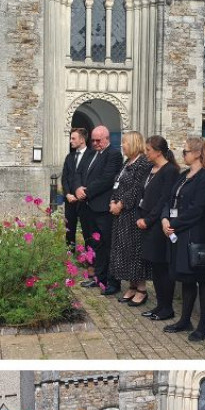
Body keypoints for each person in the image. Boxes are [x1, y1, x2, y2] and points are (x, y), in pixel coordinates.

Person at [162, 136, 205, 341]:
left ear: (197, 153)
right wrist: (165, 219)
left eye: (185, 151)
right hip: (179, 232)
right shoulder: (184, 175)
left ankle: (203, 326)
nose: (182, 155)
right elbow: (170, 199)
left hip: (196, 235)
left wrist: (174, 224)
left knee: (202, 279)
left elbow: (197, 209)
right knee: (186, 279)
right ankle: (185, 319)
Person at [75, 125, 123, 294]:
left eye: (98, 140)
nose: (95, 143)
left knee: (108, 246)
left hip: (103, 208)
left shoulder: (114, 154)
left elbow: (107, 179)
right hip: (89, 207)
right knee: (95, 245)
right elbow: (79, 173)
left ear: (107, 138)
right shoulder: (92, 154)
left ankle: (113, 282)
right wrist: (77, 189)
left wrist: (85, 192)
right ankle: (99, 278)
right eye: (93, 140)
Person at [137, 136, 180, 322]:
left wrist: (149, 219)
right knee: (154, 267)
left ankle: (167, 307)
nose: (146, 153)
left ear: (158, 151)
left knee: (162, 267)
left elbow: (164, 199)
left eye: (148, 150)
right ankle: (160, 305)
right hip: (147, 222)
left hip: (157, 225)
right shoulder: (150, 169)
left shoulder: (169, 170)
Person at [107, 130, 151, 306]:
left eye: (124, 142)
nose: (121, 145)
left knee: (134, 251)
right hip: (120, 216)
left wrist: (121, 204)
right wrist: (112, 201)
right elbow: (117, 183)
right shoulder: (127, 162)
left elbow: (136, 189)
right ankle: (132, 286)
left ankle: (141, 288)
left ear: (133, 143)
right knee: (124, 251)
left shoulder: (142, 163)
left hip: (132, 214)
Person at [62, 127, 89, 248]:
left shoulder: (92, 155)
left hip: (85, 200)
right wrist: (67, 194)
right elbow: (65, 178)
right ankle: (70, 254)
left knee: (87, 230)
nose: (70, 141)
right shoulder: (69, 157)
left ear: (82, 140)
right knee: (69, 229)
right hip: (70, 200)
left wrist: (83, 193)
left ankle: (89, 258)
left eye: (73, 138)